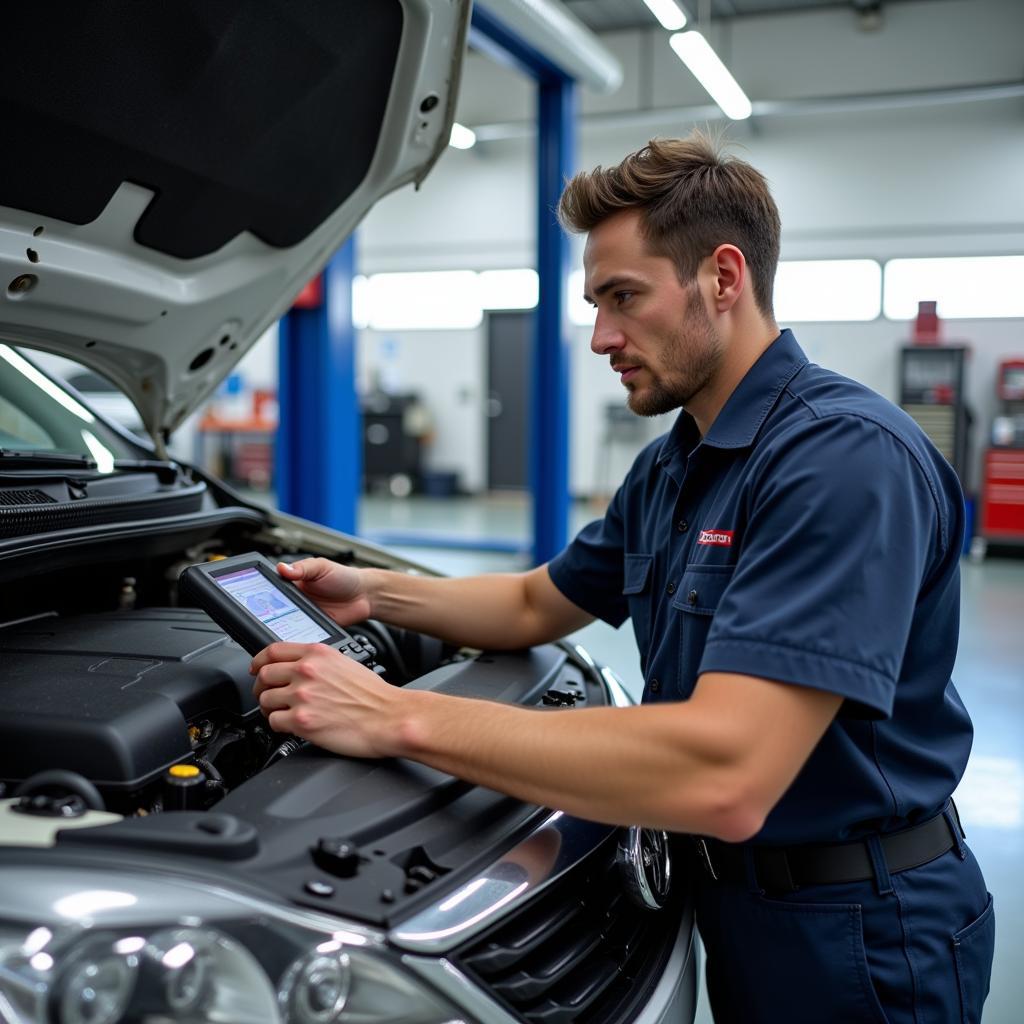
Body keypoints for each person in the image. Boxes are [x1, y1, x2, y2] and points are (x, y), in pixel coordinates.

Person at [250, 132, 994, 1023]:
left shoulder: (841, 460)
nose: (602, 336)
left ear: (724, 278)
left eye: (624, 298)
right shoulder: (678, 465)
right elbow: (536, 599)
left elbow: (728, 771)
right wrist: (373, 593)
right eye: (595, 303)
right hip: (739, 905)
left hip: (864, 931)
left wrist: (396, 716)